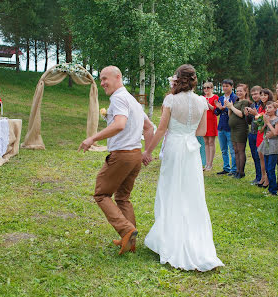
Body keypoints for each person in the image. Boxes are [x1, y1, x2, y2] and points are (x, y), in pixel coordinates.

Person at [142, 64, 224, 271]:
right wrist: (186, 131)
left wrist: (148, 152)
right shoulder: (202, 101)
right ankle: (194, 239)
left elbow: (161, 130)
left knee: (171, 190)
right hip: (191, 150)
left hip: (174, 148)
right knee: (191, 193)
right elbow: (202, 130)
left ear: (178, 79)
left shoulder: (170, 100)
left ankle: (169, 239)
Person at [79, 66, 154, 254]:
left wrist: (92, 138)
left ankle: (127, 230)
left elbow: (120, 124)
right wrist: (147, 152)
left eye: (105, 79)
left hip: (122, 155)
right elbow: (149, 128)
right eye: (101, 79)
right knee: (122, 197)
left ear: (118, 77)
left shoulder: (119, 98)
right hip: (135, 155)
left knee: (101, 194)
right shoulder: (133, 101)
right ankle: (129, 242)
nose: (102, 82)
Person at [258, 102, 278, 196]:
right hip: (266, 144)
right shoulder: (266, 118)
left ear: (275, 109)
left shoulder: (277, 120)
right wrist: (264, 123)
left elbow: (275, 132)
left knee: (271, 168)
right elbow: (260, 131)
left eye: (270, 107)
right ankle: (270, 189)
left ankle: (273, 190)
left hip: (273, 144)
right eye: (266, 108)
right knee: (267, 168)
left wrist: (268, 123)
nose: (267, 109)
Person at [225, 83, 249, 178]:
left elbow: (241, 114)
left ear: (245, 92)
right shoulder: (236, 101)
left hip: (241, 129)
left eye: (241, 91)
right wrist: (229, 107)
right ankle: (237, 170)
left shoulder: (245, 102)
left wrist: (232, 107)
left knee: (240, 150)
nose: (238, 92)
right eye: (237, 91)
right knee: (235, 150)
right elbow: (230, 115)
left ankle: (241, 172)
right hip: (233, 129)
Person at [214, 79, 237, 175]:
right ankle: (226, 167)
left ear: (232, 86)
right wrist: (219, 108)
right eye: (223, 86)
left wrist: (226, 108)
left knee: (232, 149)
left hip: (230, 126)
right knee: (223, 150)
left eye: (227, 86)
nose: (224, 88)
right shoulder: (220, 98)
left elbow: (235, 112)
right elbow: (216, 113)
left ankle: (234, 169)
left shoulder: (235, 98)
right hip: (221, 127)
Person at [245, 85, 262, 184]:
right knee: (254, 156)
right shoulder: (252, 105)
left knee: (260, 157)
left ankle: (263, 178)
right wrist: (247, 115)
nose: (254, 96)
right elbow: (249, 121)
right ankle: (257, 176)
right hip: (252, 133)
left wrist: (256, 114)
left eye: (256, 94)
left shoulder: (263, 105)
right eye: (252, 95)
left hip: (260, 133)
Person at [202, 82, 218, 171]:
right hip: (204, 121)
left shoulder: (215, 97)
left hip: (212, 121)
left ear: (212, 88)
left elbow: (216, 110)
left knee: (211, 142)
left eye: (208, 88)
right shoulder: (202, 98)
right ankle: (206, 163)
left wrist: (208, 104)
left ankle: (210, 164)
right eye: (204, 88)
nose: (206, 89)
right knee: (206, 143)